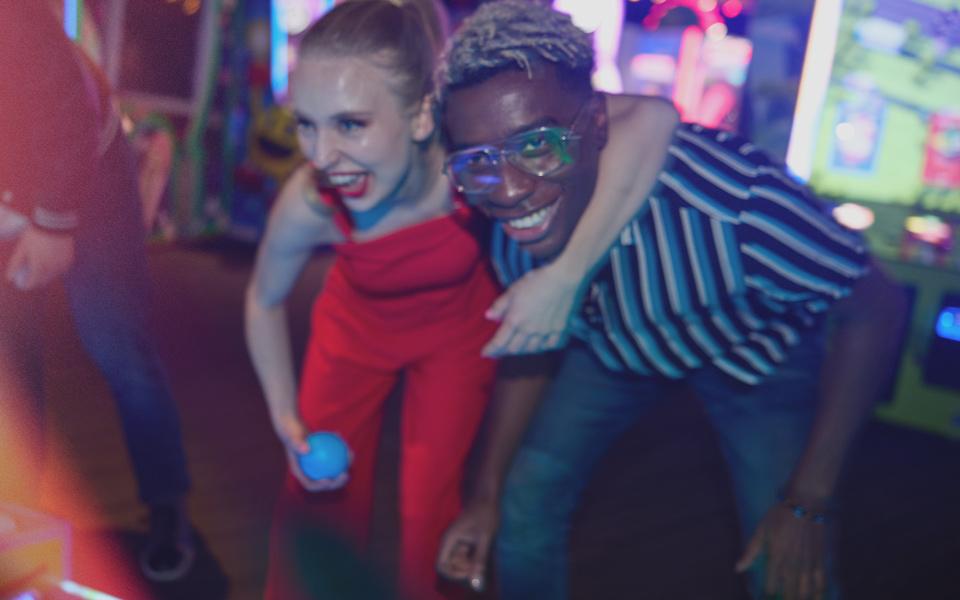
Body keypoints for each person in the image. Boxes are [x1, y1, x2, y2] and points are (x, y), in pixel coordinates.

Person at [433, 2, 907, 599]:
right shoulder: (506, 215)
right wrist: (485, 499)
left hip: (755, 359)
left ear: (599, 124)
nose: (508, 190)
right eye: (479, 164)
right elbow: (529, 340)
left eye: (538, 145)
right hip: (613, 350)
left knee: (789, 564)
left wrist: (811, 497)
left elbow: (876, 306)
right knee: (523, 506)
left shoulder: (732, 202)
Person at [243, 2, 663, 597]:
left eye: (350, 124)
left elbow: (654, 117)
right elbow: (262, 299)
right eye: (306, 124)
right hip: (354, 331)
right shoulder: (309, 202)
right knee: (316, 500)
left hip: (457, 333)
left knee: (432, 505)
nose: (318, 154)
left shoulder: (471, 159)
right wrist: (284, 413)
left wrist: (567, 275)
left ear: (421, 118)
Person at [0, 3, 194, 583]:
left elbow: (66, 112)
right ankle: (18, 510)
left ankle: (167, 506)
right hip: (13, 186)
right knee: (10, 356)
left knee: (115, 342)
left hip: (85, 171)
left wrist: (53, 221)